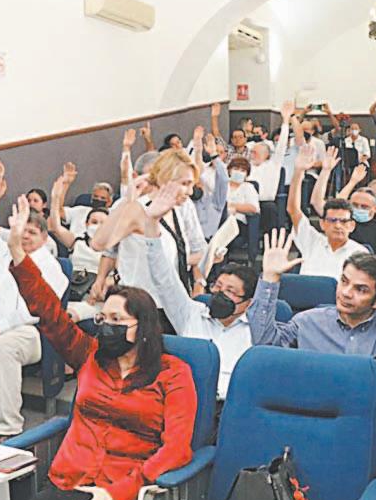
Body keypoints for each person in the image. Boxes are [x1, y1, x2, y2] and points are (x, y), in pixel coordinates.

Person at [3, 195, 196, 500]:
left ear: (143, 328)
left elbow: (177, 449)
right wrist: (17, 252)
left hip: (126, 494)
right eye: (103, 318)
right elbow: (50, 313)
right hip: (68, 482)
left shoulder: (174, 374)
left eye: (117, 320)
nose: (106, 326)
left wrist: (119, 495)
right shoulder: (90, 354)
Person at [249, 229, 376, 435]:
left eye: (361, 289)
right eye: (344, 281)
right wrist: (270, 278)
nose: (346, 293)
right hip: (309, 423)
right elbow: (264, 346)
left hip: (368, 429)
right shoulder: (308, 321)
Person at [0, 160, 68, 441]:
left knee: (3, 348)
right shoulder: (2, 252)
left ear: (44, 238)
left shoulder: (50, 266)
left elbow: (39, 309)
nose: (25, 235)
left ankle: (9, 428)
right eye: (22, 229)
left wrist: (1, 326)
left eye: (32, 232)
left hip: (30, 333)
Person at [142, 182, 261, 398]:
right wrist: (151, 224)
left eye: (231, 291)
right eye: (218, 286)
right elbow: (163, 278)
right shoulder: (190, 313)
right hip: (183, 400)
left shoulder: (256, 331)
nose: (221, 294)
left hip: (228, 405)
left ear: (248, 303)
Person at [91, 148, 207, 326]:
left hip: (171, 306)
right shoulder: (139, 208)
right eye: (185, 183)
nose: (190, 191)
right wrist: (128, 201)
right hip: (141, 309)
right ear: (166, 178)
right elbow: (99, 243)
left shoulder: (176, 210)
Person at [288, 144, 368, 280]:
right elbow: (293, 210)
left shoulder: (360, 253)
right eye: (332, 220)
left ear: (352, 225)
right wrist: (298, 171)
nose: (338, 225)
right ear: (323, 223)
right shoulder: (311, 241)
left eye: (343, 221)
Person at [49, 172, 109, 321]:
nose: (98, 226)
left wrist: (103, 285)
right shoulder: (77, 241)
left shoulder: (113, 250)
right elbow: (56, 227)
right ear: (86, 224)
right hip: (70, 288)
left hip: (93, 295)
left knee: (71, 315)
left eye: (103, 223)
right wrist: (55, 198)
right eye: (94, 222)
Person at [311, 147, 376, 257]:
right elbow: (317, 202)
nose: (359, 208)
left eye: (364, 206)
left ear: (375, 209)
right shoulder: (342, 221)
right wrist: (326, 171)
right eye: (355, 205)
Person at [225, 157, 260, 229]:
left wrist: (231, 206)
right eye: (235, 169)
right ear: (229, 170)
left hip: (237, 222)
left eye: (243, 170)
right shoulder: (222, 185)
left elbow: (253, 208)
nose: (238, 172)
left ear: (247, 174)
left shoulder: (248, 187)